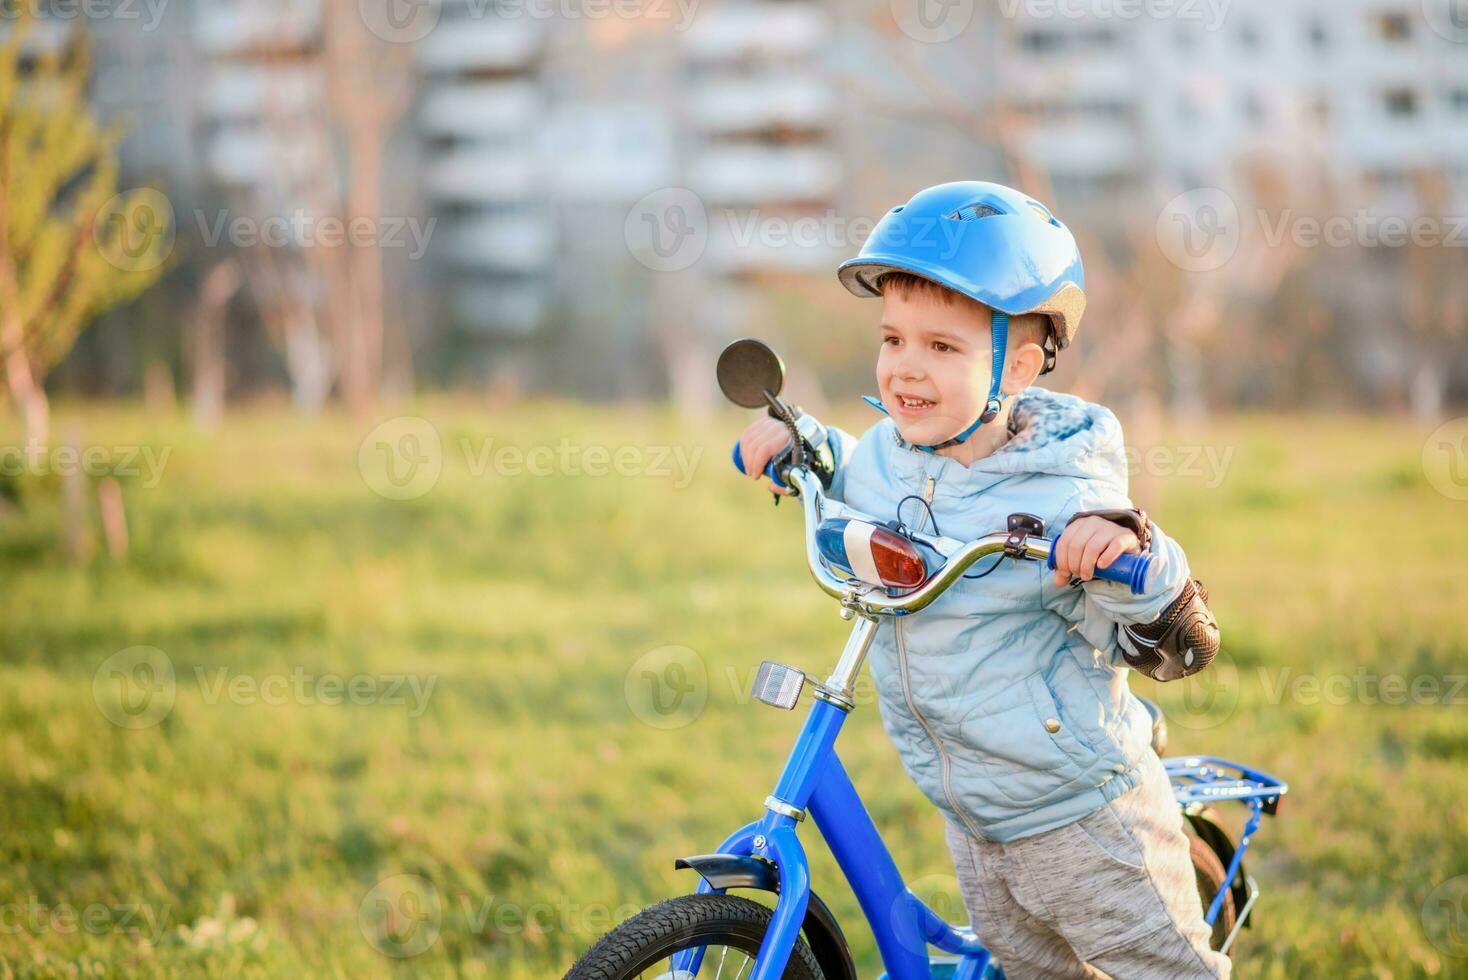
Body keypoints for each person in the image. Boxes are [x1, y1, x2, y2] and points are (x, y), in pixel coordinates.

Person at [736, 181, 1228, 979]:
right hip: (974, 821)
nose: (905, 369)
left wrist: (1125, 551)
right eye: (893, 340)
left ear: (1020, 366)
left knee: (1165, 971)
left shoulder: (1067, 495)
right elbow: (850, 467)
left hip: (1085, 817)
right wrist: (802, 447)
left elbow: (1168, 626)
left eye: (942, 347)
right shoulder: (894, 453)